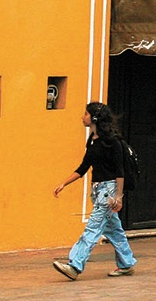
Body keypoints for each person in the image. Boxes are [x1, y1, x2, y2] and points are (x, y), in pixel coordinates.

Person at [50, 101, 137, 280]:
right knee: (114, 230)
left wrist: (118, 197)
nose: (83, 117)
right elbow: (83, 168)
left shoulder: (113, 142)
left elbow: (120, 171)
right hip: (98, 190)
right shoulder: (93, 141)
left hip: (109, 191)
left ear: (95, 118)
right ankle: (127, 263)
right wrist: (64, 183)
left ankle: (74, 265)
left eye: (86, 114)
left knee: (93, 228)